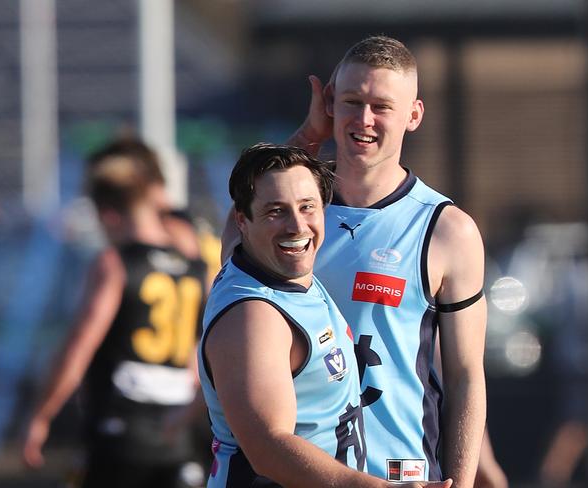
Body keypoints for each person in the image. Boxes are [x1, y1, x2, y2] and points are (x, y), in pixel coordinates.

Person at [283, 35, 488, 487]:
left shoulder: (447, 230)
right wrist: (306, 139)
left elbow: (466, 376)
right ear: (330, 103)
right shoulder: (290, 214)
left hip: (400, 475)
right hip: (299, 473)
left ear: (413, 115)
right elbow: (231, 249)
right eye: (352, 101)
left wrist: (461, 480)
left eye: (382, 106)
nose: (364, 119)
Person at [199, 143, 452, 488]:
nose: (297, 226)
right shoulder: (254, 317)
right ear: (244, 220)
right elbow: (268, 448)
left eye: (307, 207)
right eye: (276, 211)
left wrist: (310, 133)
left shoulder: (257, 263)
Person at [22, 144, 209, 488]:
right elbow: (201, 356)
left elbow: (78, 350)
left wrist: (40, 416)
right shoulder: (193, 266)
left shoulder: (115, 263)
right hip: (178, 431)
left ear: (106, 214)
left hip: (120, 432)